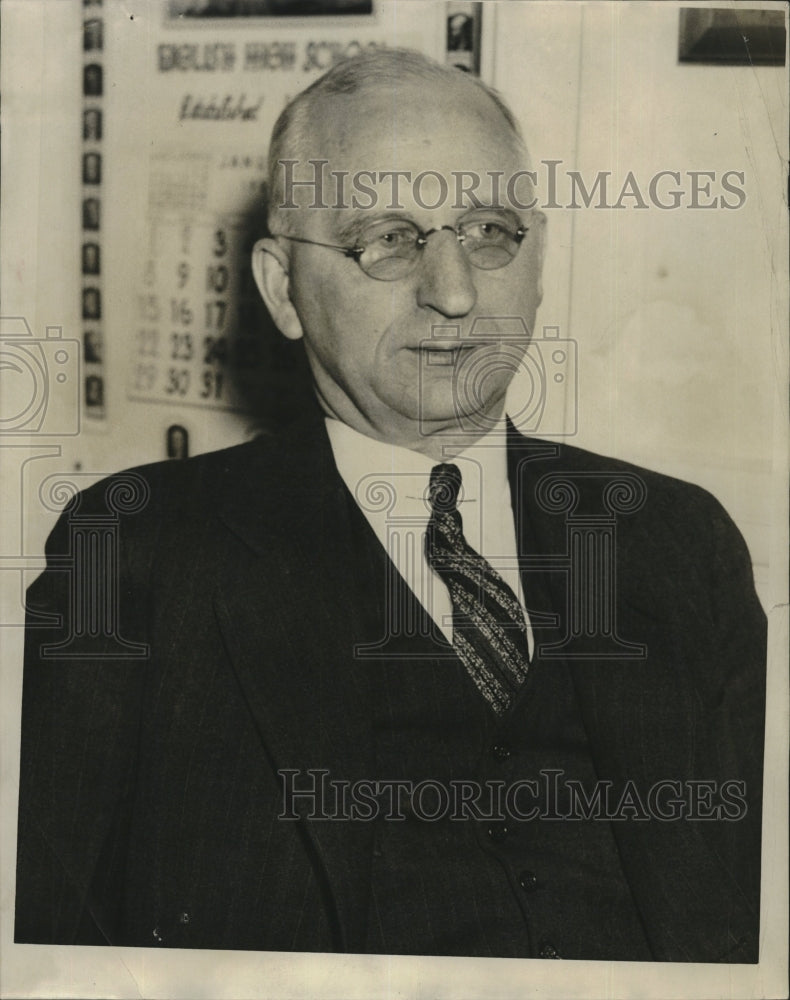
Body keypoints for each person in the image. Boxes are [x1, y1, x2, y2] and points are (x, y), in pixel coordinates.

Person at [15, 48, 765, 962]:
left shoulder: (681, 542)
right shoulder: (131, 552)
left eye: (489, 230)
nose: (453, 295)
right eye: (389, 239)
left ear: (536, 262)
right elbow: (46, 948)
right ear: (281, 289)